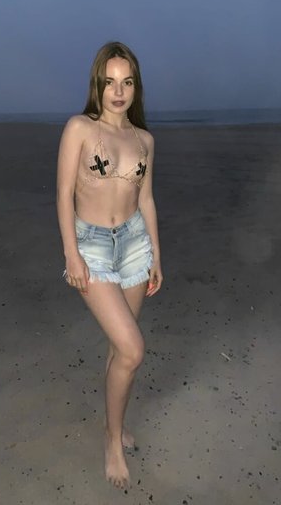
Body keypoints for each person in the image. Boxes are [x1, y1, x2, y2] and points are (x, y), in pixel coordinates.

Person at [56, 41, 163, 489]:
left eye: (127, 82)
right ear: (97, 85)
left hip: (135, 245)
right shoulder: (80, 128)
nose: (118, 92)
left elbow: (146, 199)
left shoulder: (144, 140)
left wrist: (156, 255)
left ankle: (112, 425)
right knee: (133, 349)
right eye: (109, 82)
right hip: (93, 248)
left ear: (136, 87)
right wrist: (72, 253)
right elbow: (63, 194)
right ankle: (113, 442)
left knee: (120, 351)